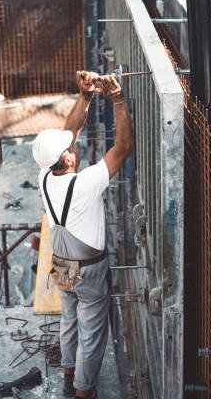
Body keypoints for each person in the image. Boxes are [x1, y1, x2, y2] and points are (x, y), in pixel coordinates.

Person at [31, 70, 133, 399]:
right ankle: (83, 390)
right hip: (88, 269)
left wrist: (86, 95)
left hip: (61, 262)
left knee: (69, 318)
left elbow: (68, 134)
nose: (72, 144)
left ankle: (70, 369)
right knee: (92, 329)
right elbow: (123, 147)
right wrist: (117, 99)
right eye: (69, 147)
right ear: (69, 157)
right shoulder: (86, 182)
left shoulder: (45, 177)